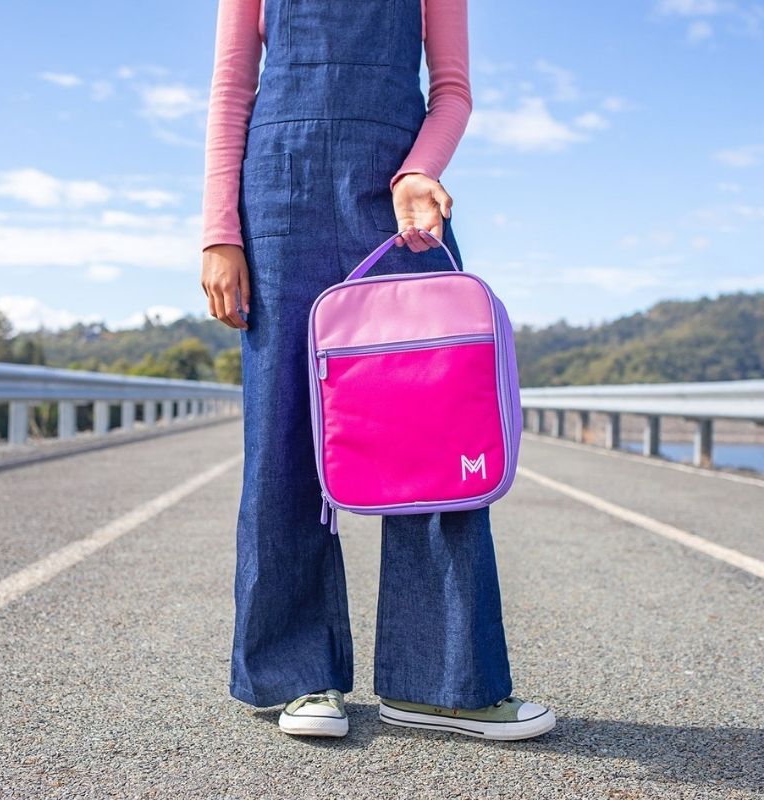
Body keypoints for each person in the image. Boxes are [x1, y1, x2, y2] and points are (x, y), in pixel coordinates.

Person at [200, 0, 556, 741]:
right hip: (278, 189)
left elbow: (451, 88)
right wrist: (219, 232)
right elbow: (233, 88)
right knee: (283, 433)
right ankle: (299, 678)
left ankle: (443, 683)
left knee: (433, 429)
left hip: (401, 194)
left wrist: (419, 170)